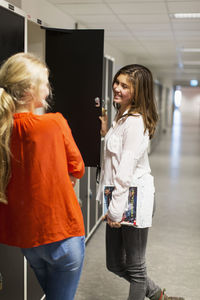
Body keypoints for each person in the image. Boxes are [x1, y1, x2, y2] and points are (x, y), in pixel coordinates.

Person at [0, 52, 85, 300]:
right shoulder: (54, 123)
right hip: (63, 233)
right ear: (29, 90)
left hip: (28, 239)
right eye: (45, 83)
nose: (48, 89)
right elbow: (77, 167)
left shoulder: (4, 129)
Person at [97, 64, 184, 300]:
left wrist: (114, 210)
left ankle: (157, 296)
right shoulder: (122, 116)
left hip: (132, 196)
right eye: (117, 82)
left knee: (135, 268)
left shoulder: (135, 121)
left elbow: (125, 170)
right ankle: (157, 295)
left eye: (124, 85)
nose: (116, 87)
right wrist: (107, 133)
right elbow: (117, 156)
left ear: (138, 92)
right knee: (114, 263)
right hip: (118, 194)